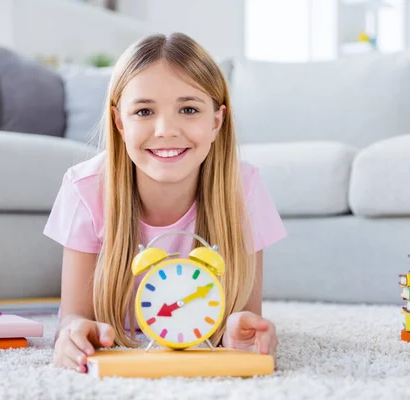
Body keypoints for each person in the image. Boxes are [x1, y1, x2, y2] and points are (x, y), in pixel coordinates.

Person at [43, 32, 287, 373]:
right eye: (144, 111)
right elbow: (74, 316)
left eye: (188, 109)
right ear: (119, 123)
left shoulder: (243, 188)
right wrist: (74, 335)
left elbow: (246, 315)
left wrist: (243, 333)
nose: (165, 130)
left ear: (217, 121)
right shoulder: (84, 188)